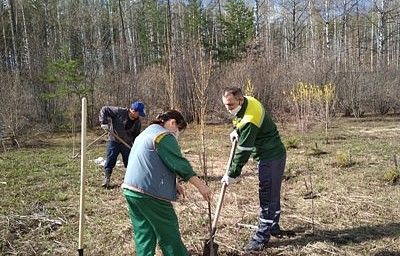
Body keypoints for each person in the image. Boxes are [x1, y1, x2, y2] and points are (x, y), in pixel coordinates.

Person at [122, 109, 212, 256]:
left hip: (131, 190)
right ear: (172, 123)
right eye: (178, 130)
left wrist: (174, 184)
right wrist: (201, 186)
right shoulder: (163, 136)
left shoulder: (145, 134)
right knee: (168, 231)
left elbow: (152, 161)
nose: (177, 134)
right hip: (149, 193)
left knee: (144, 232)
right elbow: (179, 164)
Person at [221, 87, 287, 252]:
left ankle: (261, 238)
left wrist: (232, 174)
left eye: (230, 105)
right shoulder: (248, 101)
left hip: (270, 156)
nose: (228, 108)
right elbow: (240, 119)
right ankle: (273, 226)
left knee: (267, 195)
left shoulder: (250, 119)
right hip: (273, 153)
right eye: (225, 104)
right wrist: (237, 130)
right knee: (273, 193)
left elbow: (243, 151)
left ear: (240, 100)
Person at [98, 101, 145, 188]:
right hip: (114, 140)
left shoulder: (137, 122)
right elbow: (104, 109)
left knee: (129, 162)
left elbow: (136, 136)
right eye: (139, 113)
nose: (139, 115)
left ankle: (130, 180)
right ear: (133, 111)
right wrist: (103, 122)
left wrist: (136, 146)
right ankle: (106, 179)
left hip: (126, 143)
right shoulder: (119, 111)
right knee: (110, 160)